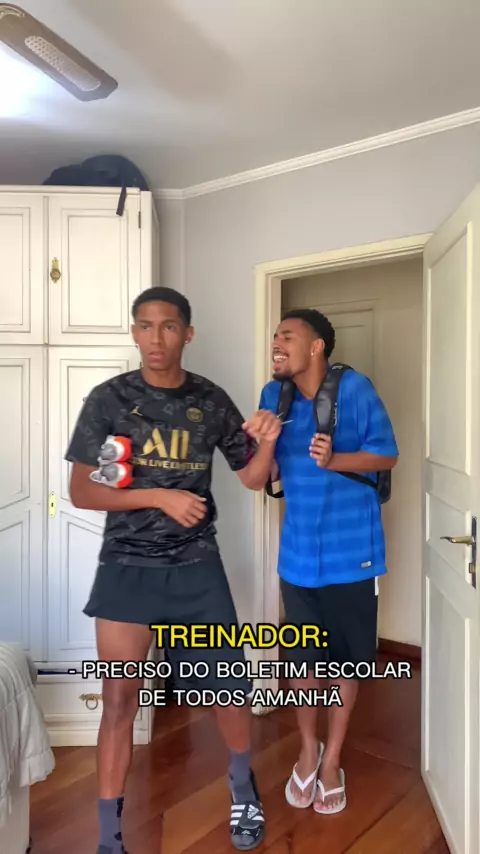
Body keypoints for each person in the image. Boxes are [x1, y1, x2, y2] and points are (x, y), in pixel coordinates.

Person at [65, 286, 281, 854]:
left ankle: (243, 787)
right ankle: (110, 838)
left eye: (167, 326)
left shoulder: (210, 399)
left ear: (187, 333)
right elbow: (82, 491)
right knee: (119, 703)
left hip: (195, 567)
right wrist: (159, 496)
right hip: (126, 568)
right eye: (144, 326)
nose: (154, 338)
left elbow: (253, 478)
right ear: (134, 332)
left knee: (226, 689)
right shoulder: (109, 399)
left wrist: (268, 443)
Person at [242, 308, 398, 816]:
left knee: (346, 662)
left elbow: (387, 455)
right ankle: (308, 748)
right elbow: (259, 477)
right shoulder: (273, 396)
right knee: (305, 661)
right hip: (298, 557)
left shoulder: (356, 389)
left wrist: (337, 460)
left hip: (354, 555)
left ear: (316, 347)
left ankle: (333, 761)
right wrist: (264, 439)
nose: (277, 342)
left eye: (288, 335)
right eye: (275, 336)